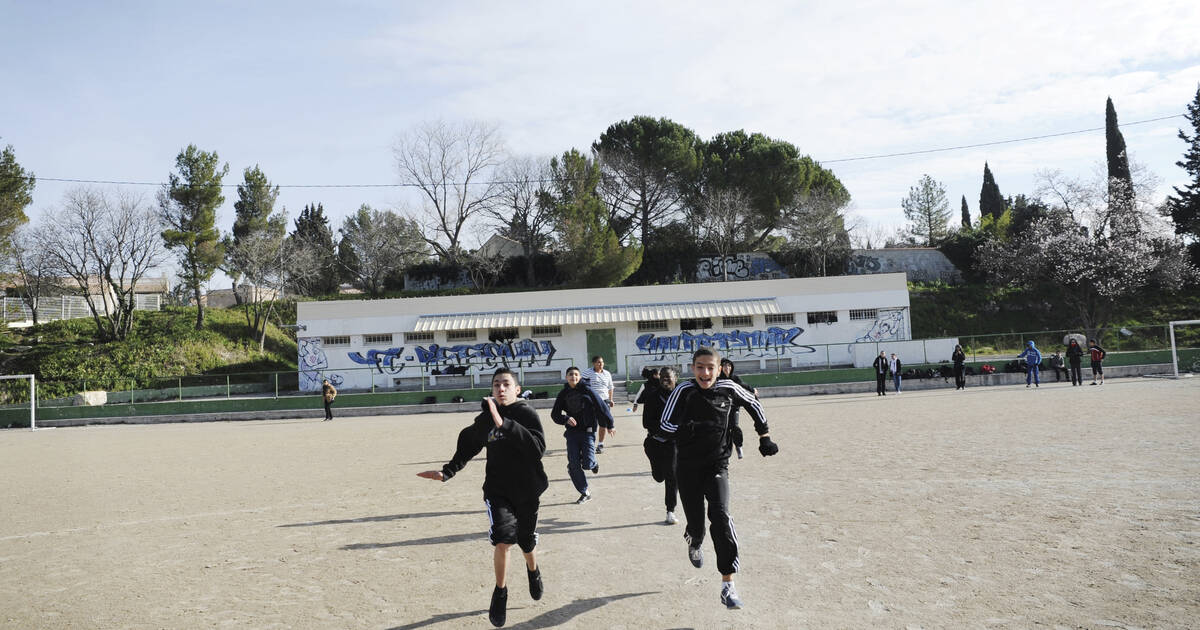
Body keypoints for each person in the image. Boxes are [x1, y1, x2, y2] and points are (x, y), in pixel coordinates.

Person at [417, 368, 548, 628]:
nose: (501, 388)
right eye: (496, 384)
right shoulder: (485, 419)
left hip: (527, 490)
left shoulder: (526, 414)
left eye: (506, 384)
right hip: (498, 490)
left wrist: (504, 424)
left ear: (517, 390)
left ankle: (533, 570)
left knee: (526, 540)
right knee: (503, 540)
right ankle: (500, 593)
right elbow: (468, 443)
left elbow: (537, 449)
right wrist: (447, 472)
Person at [660, 346, 779, 610]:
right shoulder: (683, 391)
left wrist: (764, 436)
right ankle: (694, 541)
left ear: (719, 368)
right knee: (698, 526)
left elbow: (754, 404)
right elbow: (665, 424)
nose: (705, 372)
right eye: (700, 367)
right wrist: (685, 429)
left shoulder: (729, 388)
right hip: (688, 468)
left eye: (710, 367)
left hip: (717, 464)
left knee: (722, 516)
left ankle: (728, 584)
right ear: (692, 369)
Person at [550, 366, 614, 504]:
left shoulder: (587, 390)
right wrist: (565, 419)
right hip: (572, 433)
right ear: (566, 377)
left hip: (588, 432)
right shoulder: (563, 393)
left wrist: (610, 424)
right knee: (573, 465)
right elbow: (554, 414)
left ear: (579, 377)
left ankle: (593, 463)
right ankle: (584, 492)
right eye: (570, 375)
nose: (573, 377)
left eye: (576, 375)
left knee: (587, 464)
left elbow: (601, 406)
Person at [638, 366, 679, 525]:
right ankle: (656, 469)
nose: (665, 379)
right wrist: (665, 429)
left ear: (675, 377)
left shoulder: (681, 396)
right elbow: (646, 423)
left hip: (673, 444)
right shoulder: (652, 397)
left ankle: (670, 511)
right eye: (662, 377)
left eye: (668, 377)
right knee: (659, 476)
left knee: (672, 476)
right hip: (654, 443)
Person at [719, 358, 757, 459]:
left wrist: (753, 390)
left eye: (729, 366)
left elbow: (743, 385)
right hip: (722, 408)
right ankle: (724, 452)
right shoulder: (717, 379)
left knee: (735, 427)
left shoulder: (734, 378)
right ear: (720, 368)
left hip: (734, 406)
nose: (727, 368)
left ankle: (738, 446)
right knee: (724, 429)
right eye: (725, 366)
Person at [580, 355, 615, 453]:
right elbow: (581, 385)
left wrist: (611, 399)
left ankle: (600, 444)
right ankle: (590, 444)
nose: (601, 364)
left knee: (603, 424)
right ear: (593, 363)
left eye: (602, 362)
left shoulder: (607, 374)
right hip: (591, 402)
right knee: (591, 424)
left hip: (604, 401)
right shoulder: (587, 373)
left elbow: (610, 387)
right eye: (598, 362)